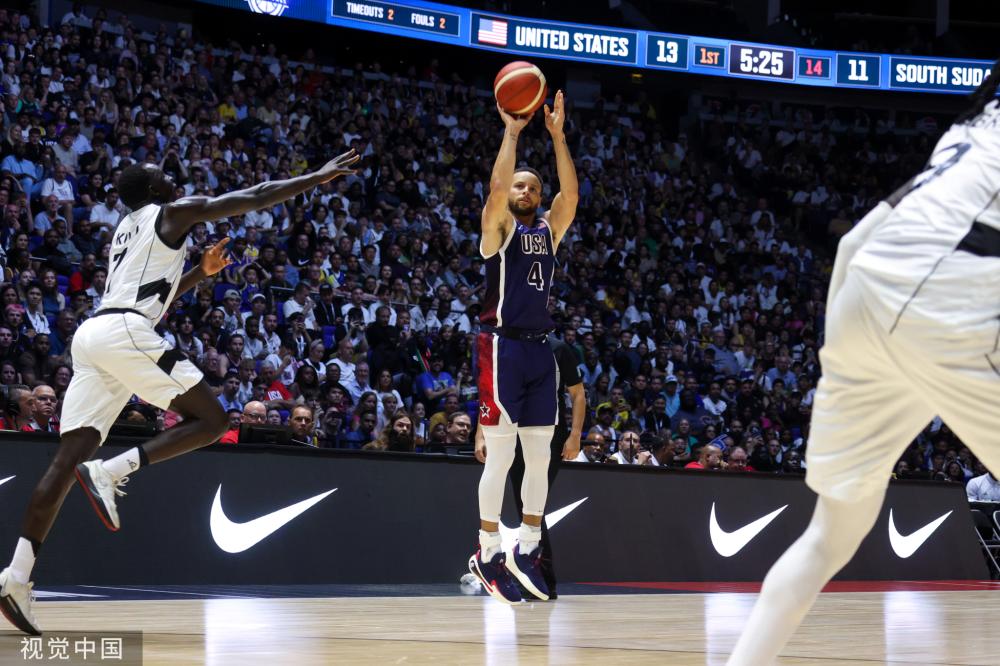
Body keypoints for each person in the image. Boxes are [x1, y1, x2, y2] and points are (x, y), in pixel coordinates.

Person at [0, 151, 359, 635]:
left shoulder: (126, 232)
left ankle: (16, 577)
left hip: (96, 336)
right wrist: (316, 177)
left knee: (65, 465)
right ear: (151, 190)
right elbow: (248, 197)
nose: (169, 178)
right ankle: (111, 470)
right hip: (123, 332)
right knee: (213, 422)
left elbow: (152, 300)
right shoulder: (171, 211)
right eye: (160, 175)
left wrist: (200, 275)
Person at [728, 63, 1000, 664]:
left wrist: (840, 362)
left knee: (828, 538)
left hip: (864, 296)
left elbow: (850, 245)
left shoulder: (964, 135)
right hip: (952, 300)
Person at [469, 91, 579, 605]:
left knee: (540, 456)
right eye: (520, 184)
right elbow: (495, 187)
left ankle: (528, 547)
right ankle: (488, 547)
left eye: (533, 186)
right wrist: (512, 132)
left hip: (540, 351)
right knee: (501, 456)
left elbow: (572, 198)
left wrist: (557, 137)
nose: (526, 190)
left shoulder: (548, 231)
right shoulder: (498, 230)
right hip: (500, 346)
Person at [488, 333, 585, 599]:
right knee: (525, 507)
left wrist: (575, 434)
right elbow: (493, 394)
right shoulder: (508, 346)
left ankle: (542, 579)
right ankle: (537, 578)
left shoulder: (558, 348)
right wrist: (480, 433)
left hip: (549, 435)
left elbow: (577, 394)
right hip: (512, 434)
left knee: (533, 506)